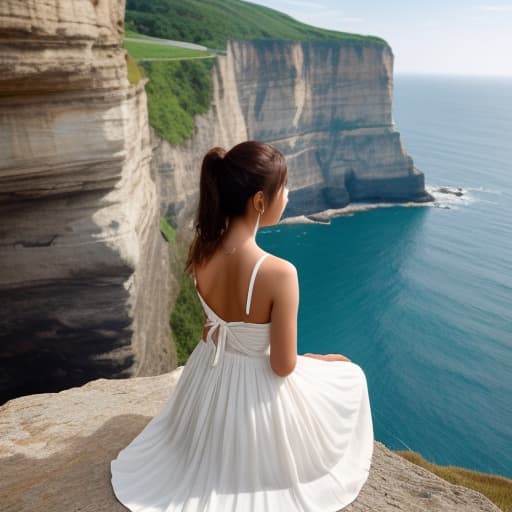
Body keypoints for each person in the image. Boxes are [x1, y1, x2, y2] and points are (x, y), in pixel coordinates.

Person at [110, 140, 374, 511]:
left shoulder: (201, 249)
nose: (289, 194)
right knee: (350, 374)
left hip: (205, 381)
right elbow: (282, 366)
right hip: (252, 397)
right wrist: (319, 360)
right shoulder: (280, 273)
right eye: (283, 187)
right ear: (260, 202)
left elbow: (211, 331)